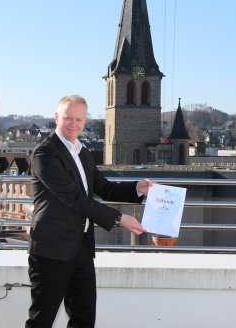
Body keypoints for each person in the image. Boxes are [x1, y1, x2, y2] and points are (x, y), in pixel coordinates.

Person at [26, 95, 154, 328]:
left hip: (81, 249)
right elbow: (73, 199)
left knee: (84, 320)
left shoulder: (82, 152)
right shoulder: (45, 153)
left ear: (85, 122)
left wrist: (137, 188)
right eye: (68, 118)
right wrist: (118, 218)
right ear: (57, 117)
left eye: (79, 119)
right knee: (41, 321)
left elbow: (104, 188)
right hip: (51, 250)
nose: (73, 124)